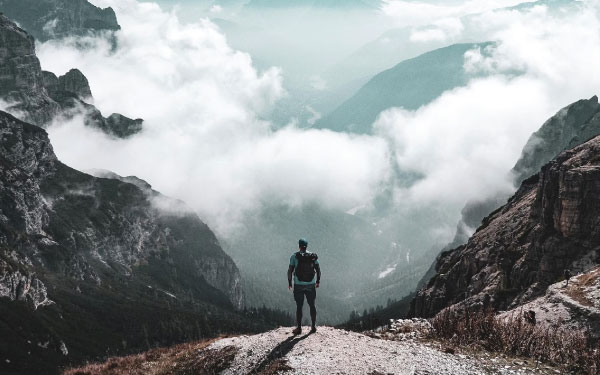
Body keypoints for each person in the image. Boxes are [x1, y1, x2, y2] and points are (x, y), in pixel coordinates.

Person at [288, 238, 321, 335]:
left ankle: (299, 328)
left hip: (298, 285)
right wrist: (318, 281)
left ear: (299, 246)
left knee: (299, 306)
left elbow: (290, 270)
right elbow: (318, 270)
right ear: (307, 246)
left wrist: (290, 282)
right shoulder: (312, 256)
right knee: (312, 305)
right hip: (311, 284)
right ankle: (313, 326)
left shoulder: (294, 256)